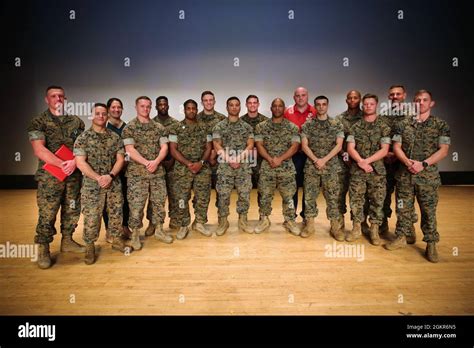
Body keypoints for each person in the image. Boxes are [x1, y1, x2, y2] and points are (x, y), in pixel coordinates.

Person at [385, 90, 450, 263]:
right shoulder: (402, 124)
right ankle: (401, 237)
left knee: (428, 211)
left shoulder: (440, 125)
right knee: (403, 208)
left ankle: (431, 243)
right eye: (418, 100)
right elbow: (397, 146)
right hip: (405, 175)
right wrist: (407, 162)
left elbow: (443, 150)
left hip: (427, 176)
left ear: (431, 103)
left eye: (424, 100)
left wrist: (423, 164)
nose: (421, 103)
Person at [27, 85, 85, 269]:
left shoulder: (76, 122)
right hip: (50, 177)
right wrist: (62, 164)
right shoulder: (39, 121)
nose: (58, 99)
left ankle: (67, 241)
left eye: (61, 96)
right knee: (48, 213)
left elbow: (82, 147)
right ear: (47, 99)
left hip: (73, 176)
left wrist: (75, 163)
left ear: (64, 98)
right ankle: (43, 247)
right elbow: (39, 149)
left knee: (72, 210)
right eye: (53, 96)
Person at [74, 103, 129, 264]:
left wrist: (110, 176)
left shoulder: (115, 137)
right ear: (92, 116)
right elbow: (80, 163)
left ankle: (117, 240)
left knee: (116, 213)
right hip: (92, 186)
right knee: (92, 217)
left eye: (104, 114)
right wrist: (98, 177)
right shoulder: (83, 138)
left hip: (113, 183)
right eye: (97, 113)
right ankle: (90, 246)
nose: (101, 116)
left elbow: (120, 160)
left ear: (107, 116)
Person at [122, 96, 170, 249]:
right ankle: (135, 234)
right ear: (136, 107)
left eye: (148, 106)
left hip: (157, 173)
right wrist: (146, 163)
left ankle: (159, 230)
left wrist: (156, 162)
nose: (145, 109)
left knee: (159, 203)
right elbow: (130, 150)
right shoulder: (129, 128)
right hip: (137, 174)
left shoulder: (159, 128)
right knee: (136, 206)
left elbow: (164, 147)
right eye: (142, 106)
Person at [346, 94, 391, 245]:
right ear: (362, 106)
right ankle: (357, 227)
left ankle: (374, 230)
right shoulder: (355, 127)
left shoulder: (384, 126)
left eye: (371, 104)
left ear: (376, 105)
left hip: (376, 170)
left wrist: (367, 161)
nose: (368, 106)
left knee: (377, 200)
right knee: (356, 200)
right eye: (365, 104)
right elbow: (350, 148)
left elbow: (385, 150)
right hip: (358, 170)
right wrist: (360, 162)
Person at [254, 98, 301, 235]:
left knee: (289, 197)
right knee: (265, 196)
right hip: (267, 167)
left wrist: (280, 159)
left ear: (284, 108)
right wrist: (270, 159)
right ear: (271, 108)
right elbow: (259, 145)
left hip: (286, 168)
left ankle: (290, 220)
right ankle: (264, 219)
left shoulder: (293, 127)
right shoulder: (261, 127)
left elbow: (295, 147)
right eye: (275, 106)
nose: (277, 108)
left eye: (280, 106)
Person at [301, 96, 344, 240]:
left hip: (331, 167)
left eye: (324, 104)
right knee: (309, 196)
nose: (321, 107)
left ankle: (335, 227)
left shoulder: (336, 124)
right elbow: (304, 145)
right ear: (314, 106)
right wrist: (316, 160)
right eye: (318, 105)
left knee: (333, 198)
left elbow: (339, 145)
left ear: (327, 105)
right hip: (312, 167)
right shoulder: (308, 125)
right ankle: (310, 225)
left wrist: (324, 160)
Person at [168, 99, 213, 239]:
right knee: (181, 199)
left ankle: (199, 222)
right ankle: (184, 224)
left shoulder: (205, 127)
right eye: (189, 108)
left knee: (203, 197)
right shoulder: (175, 128)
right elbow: (173, 150)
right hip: (182, 169)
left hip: (202, 169)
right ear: (185, 110)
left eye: (194, 108)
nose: (192, 111)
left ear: (196, 109)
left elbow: (208, 147)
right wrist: (188, 164)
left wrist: (201, 162)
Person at [379, 85, 417, 241]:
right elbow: (379, 136)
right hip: (386, 162)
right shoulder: (383, 116)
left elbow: (416, 141)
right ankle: (382, 224)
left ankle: (408, 227)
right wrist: (387, 153)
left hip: (404, 163)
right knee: (383, 194)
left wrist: (398, 154)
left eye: (398, 94)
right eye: (392, 94)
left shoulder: (413, 116)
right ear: (389, 97)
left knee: (405, 198)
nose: (395, 96)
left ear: (404, 95)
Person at [212, 97, 254, 235]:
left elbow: (250, 145)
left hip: (243, 167)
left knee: (244, 195)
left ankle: (242, 221)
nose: (234, 107)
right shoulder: (219, 126)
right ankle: (223, 221)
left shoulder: (247, 127)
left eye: (237, 105)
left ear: (240, 107)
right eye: (231, 105)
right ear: (227, 107)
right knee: (223, 196)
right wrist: (230, 159)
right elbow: (217, 145)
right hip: (225, 167)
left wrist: (238, 159)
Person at [144, 96, 179, 239]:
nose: (163, 106)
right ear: (156, 107)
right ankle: (153, 222)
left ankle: (175, 219)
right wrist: (159, 161)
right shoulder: (151, 124)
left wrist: (171, 160)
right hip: (157, 165)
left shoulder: (175, 124)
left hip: (173, 165)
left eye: (165, 104)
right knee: (155, 196)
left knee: (174, 194)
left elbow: (177, 145)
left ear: (168, 106)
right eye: (160, 105)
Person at [284, 87, 316, 221]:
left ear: (307, 96)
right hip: (293, 155)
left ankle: (306, 216)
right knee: (292, 187)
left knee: (309, 187)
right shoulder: (287, 112)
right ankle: (290, 217)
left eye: (303, 95)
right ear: (294, 97)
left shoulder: (315, 111)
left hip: (310, 155)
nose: (300, 98)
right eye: (297, 95)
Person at [335, 90, 364, 230]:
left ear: (360, 100)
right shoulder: (339, 119)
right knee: (339, 192)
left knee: (360, 194)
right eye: (350, 98)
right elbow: (335, 141)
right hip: (343, 162)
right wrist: (345, 156)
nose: (352, 100)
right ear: (346, 100)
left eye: (355, 98)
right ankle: (339, 221)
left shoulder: (367, 117)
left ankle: (360, 222)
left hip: (361, 163)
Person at [103, 97, 131, 243]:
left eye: (119, 107)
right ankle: (109, 229)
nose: (116, 110)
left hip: (125, 170)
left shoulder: (127, 128)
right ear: (108, 109)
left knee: (126, 199)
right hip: (109, 171)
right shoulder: (103, 127)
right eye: (113, 107)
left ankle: (125, 226)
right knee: (108, 202)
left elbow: (131, 150)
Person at [241, 94, 269, 191]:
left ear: (258, 104)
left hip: (261, 161)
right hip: (244, 160)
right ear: (246, 105)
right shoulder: (241, 121)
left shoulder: (266, 121)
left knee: (262, 191)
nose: (252, 105)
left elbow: (269, 141)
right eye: (250, 103)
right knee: (244, 191)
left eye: (254, 103)